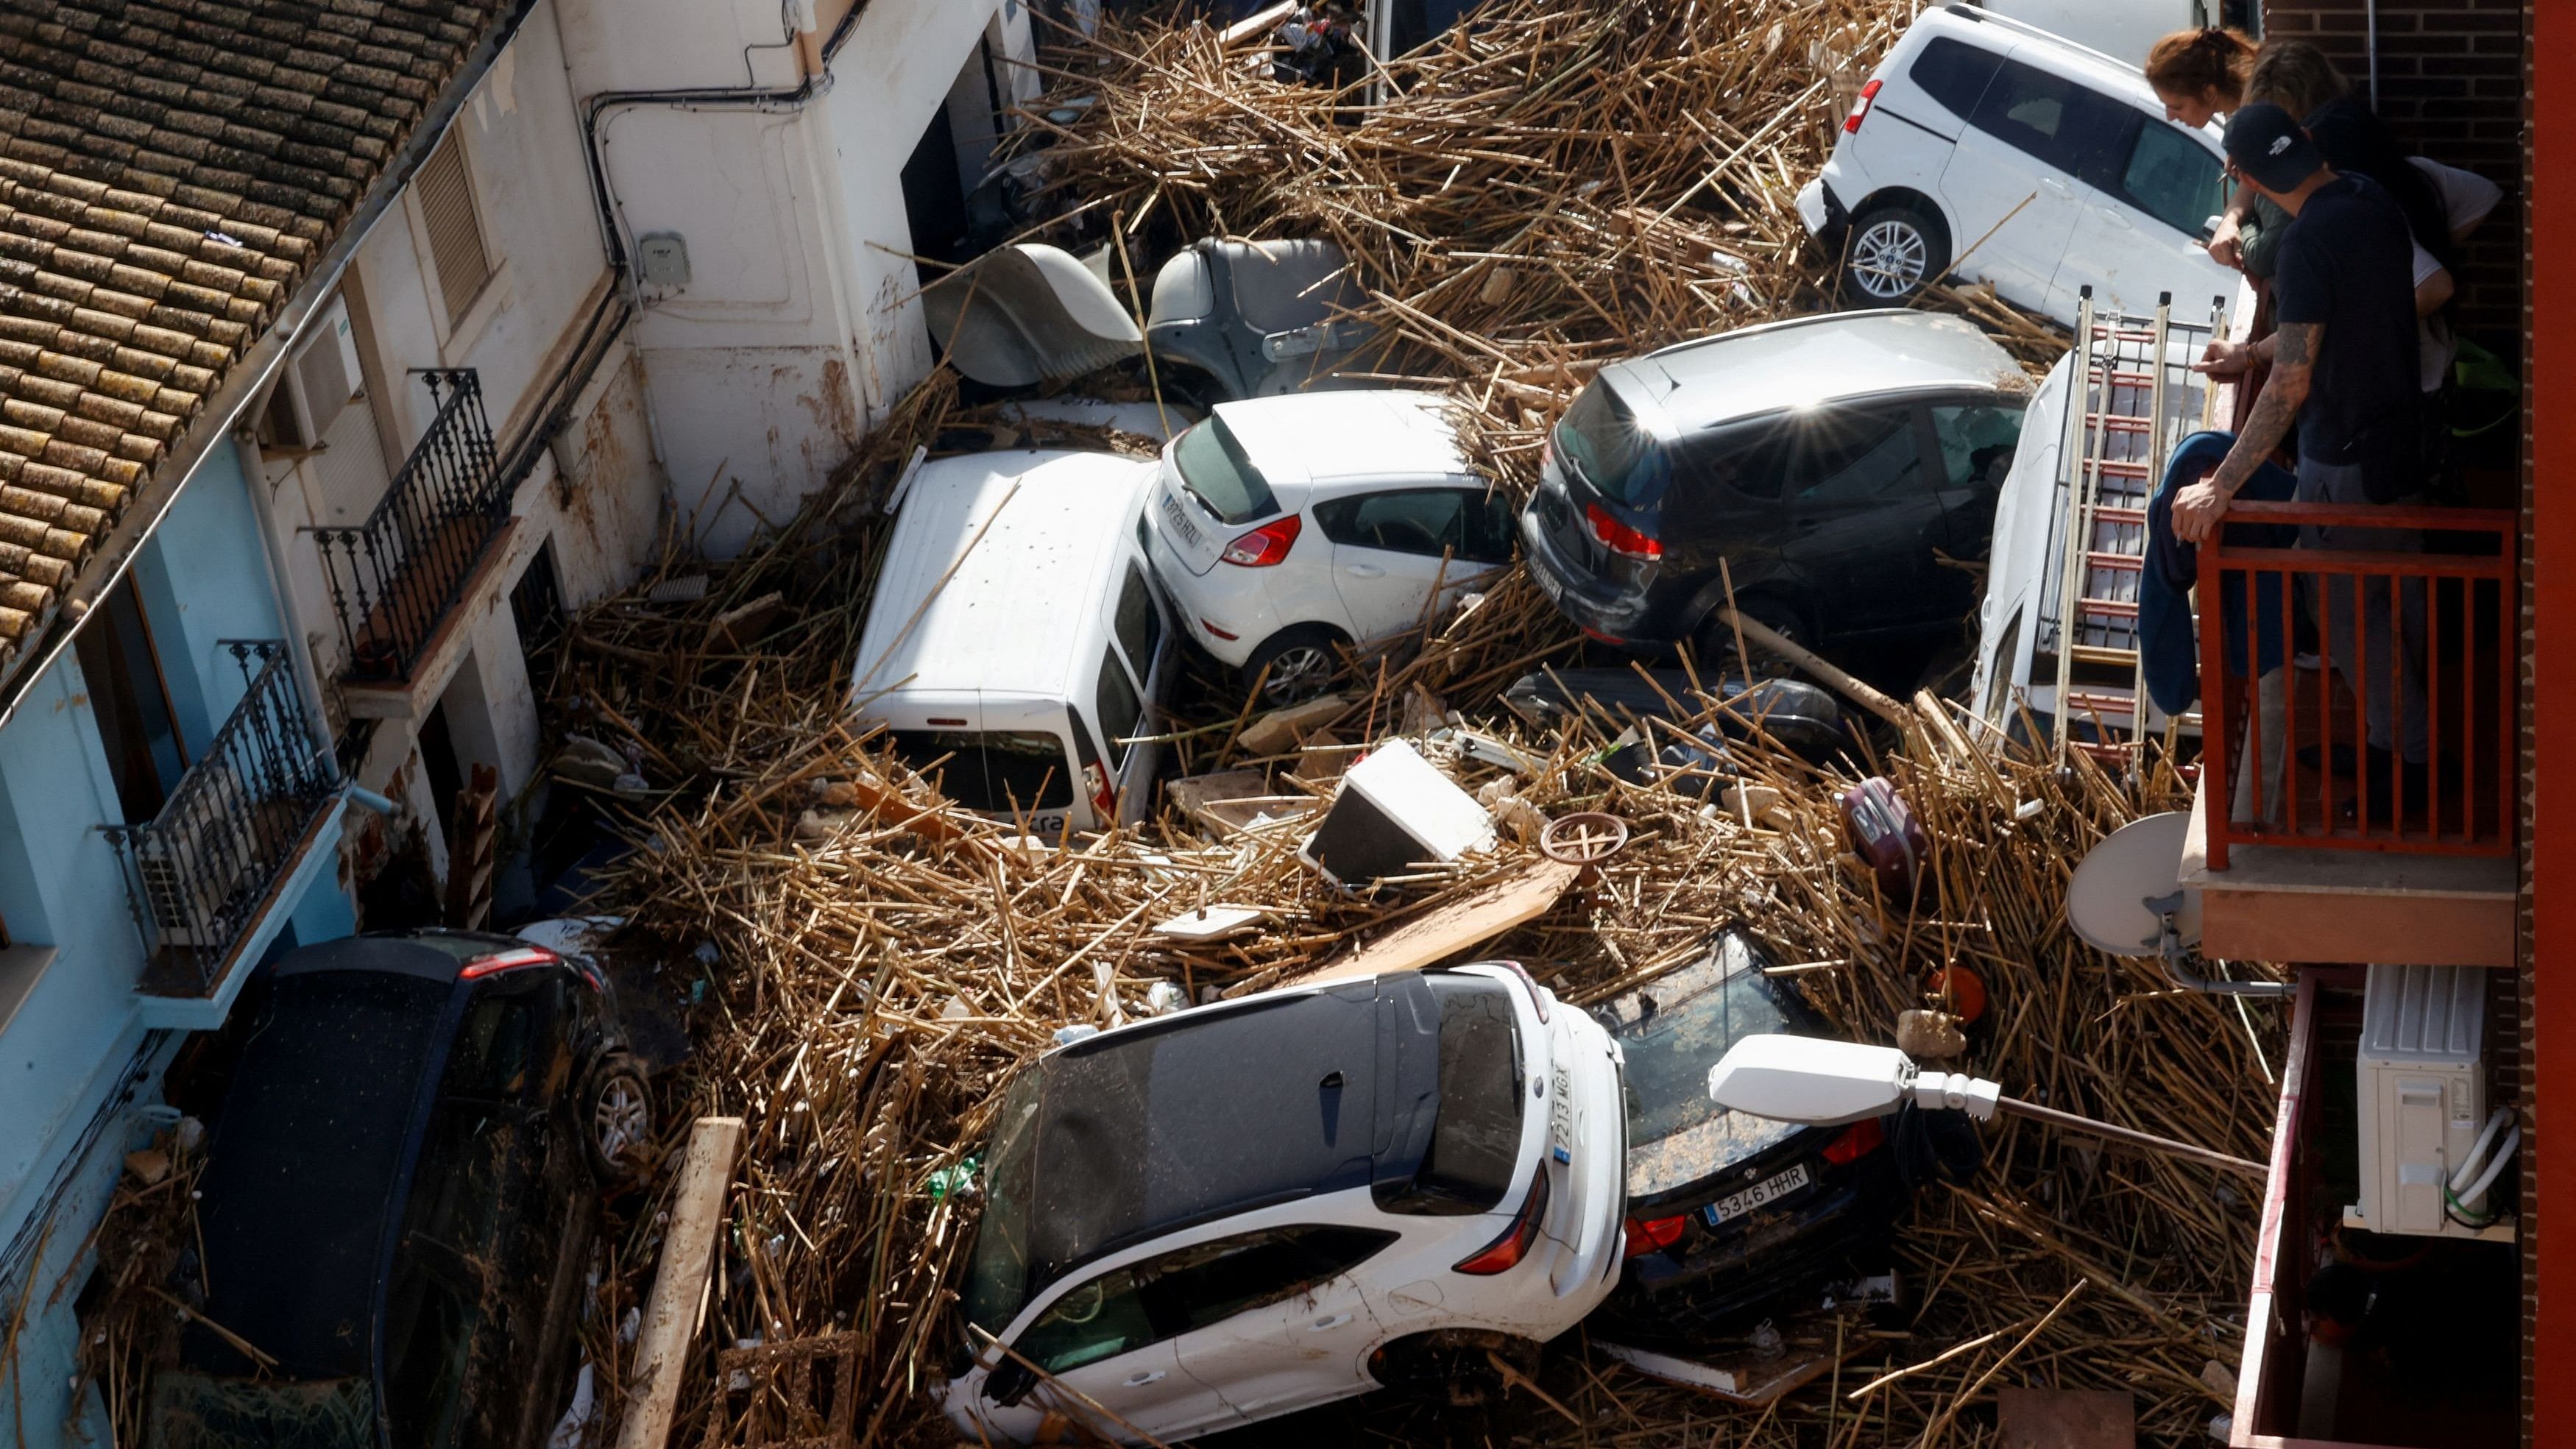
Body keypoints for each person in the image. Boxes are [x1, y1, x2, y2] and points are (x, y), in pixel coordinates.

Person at [2174, 103, 2429, 811]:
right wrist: (2253, 352)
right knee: (2389, 610)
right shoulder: (2368, 198)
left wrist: (2219, 487)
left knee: (2350, 616)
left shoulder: (2306, 243)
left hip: (2344, 462)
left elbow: (2291, 381)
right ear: (2311, 143)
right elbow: (2324, 335)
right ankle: (2388, 742)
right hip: (2400, 442)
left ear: (2242, 176)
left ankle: (2411, 768)